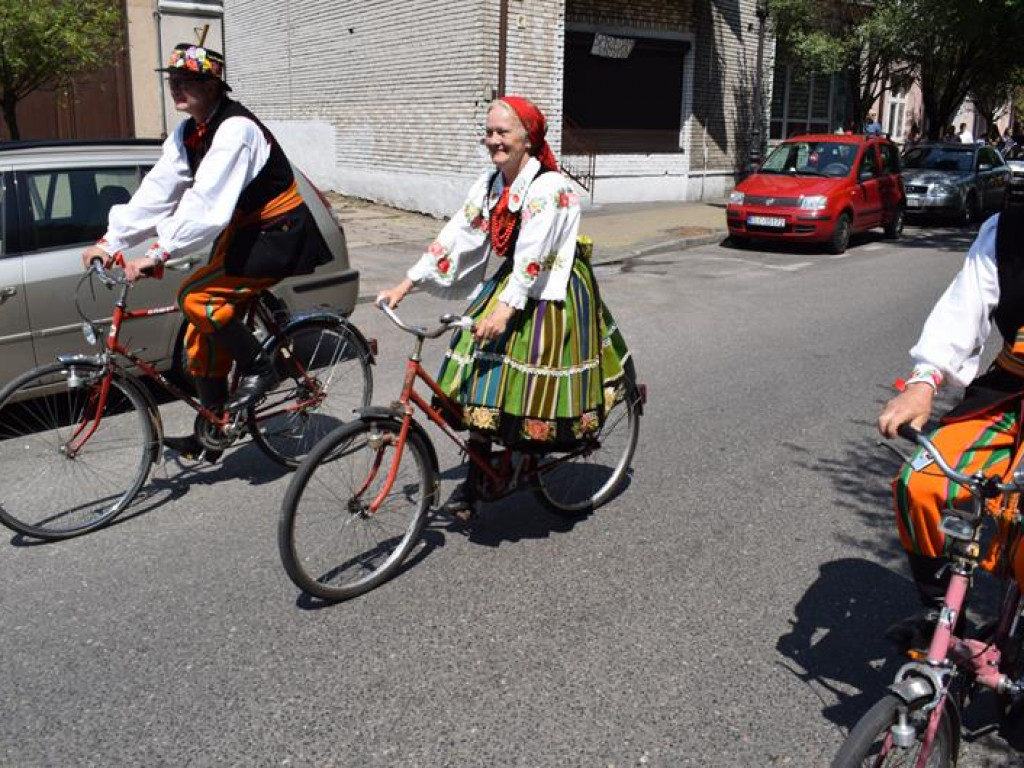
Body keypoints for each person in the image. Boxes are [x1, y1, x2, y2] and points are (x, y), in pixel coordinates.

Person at [377, 95, 632, 522]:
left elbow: (533, 256)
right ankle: (478, 480)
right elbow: (457, 232)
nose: (493, 140)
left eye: (503, 132)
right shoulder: (492, 183)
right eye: (489, 132)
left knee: (525, 381)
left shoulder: (549, 188)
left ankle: (528, 456)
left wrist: (505, 311)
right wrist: (407, 282)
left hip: (552, 288)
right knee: (478, 371)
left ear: (528, 139)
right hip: (518, 279)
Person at [81, 42, 333, 461]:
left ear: (214, 86)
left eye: (190, 80)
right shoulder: (188, 131)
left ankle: (260, 367)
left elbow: (206, 203)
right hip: (244, 231)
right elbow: (159, 190)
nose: (177, 87)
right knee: (201, 333)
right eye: (172, 80)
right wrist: (111, 241)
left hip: (279, 231)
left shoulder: (235, 129)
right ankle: (213, 433)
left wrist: (159, 253)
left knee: (196, 296)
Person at [878, 209, 1024, 649]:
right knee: (921, 483)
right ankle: (939, 613)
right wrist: (923, 382)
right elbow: (964, 310)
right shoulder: (1008, 230)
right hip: (1009, 389)